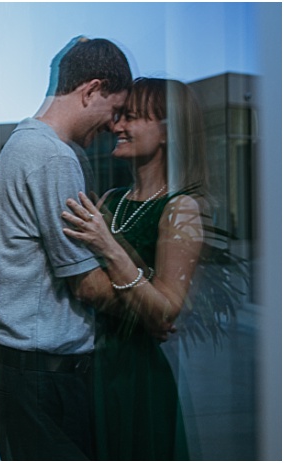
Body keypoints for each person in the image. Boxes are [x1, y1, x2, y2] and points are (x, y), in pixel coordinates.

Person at [0, 36, 141, 460]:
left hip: (27, 373)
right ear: (91, 90)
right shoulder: (53, 157)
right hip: (46, 378)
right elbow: (87, 285)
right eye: (113, 111)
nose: (113, 126)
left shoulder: (21, 145)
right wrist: (148, 310)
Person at [61, 77, 203, 460]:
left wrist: (109, 246)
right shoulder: (112, 199)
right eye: (119, 116)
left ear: (167, 133)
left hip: (138, 378)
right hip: (94, 370)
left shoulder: (180, 208)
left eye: (133, 118)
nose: (117, 127)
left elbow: (165, 310)